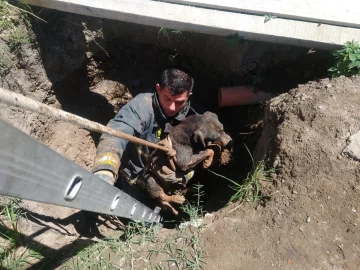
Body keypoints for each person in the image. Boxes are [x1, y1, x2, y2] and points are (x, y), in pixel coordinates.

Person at [92, 68, 197, 204]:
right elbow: (117, 132)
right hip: (137, 173)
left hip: (164, 172)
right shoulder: (141, 108)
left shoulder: (191, 116)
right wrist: (105, 169)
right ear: (158, 89)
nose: (172, 107)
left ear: (189, 96)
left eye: (179, 102)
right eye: (167, 98)